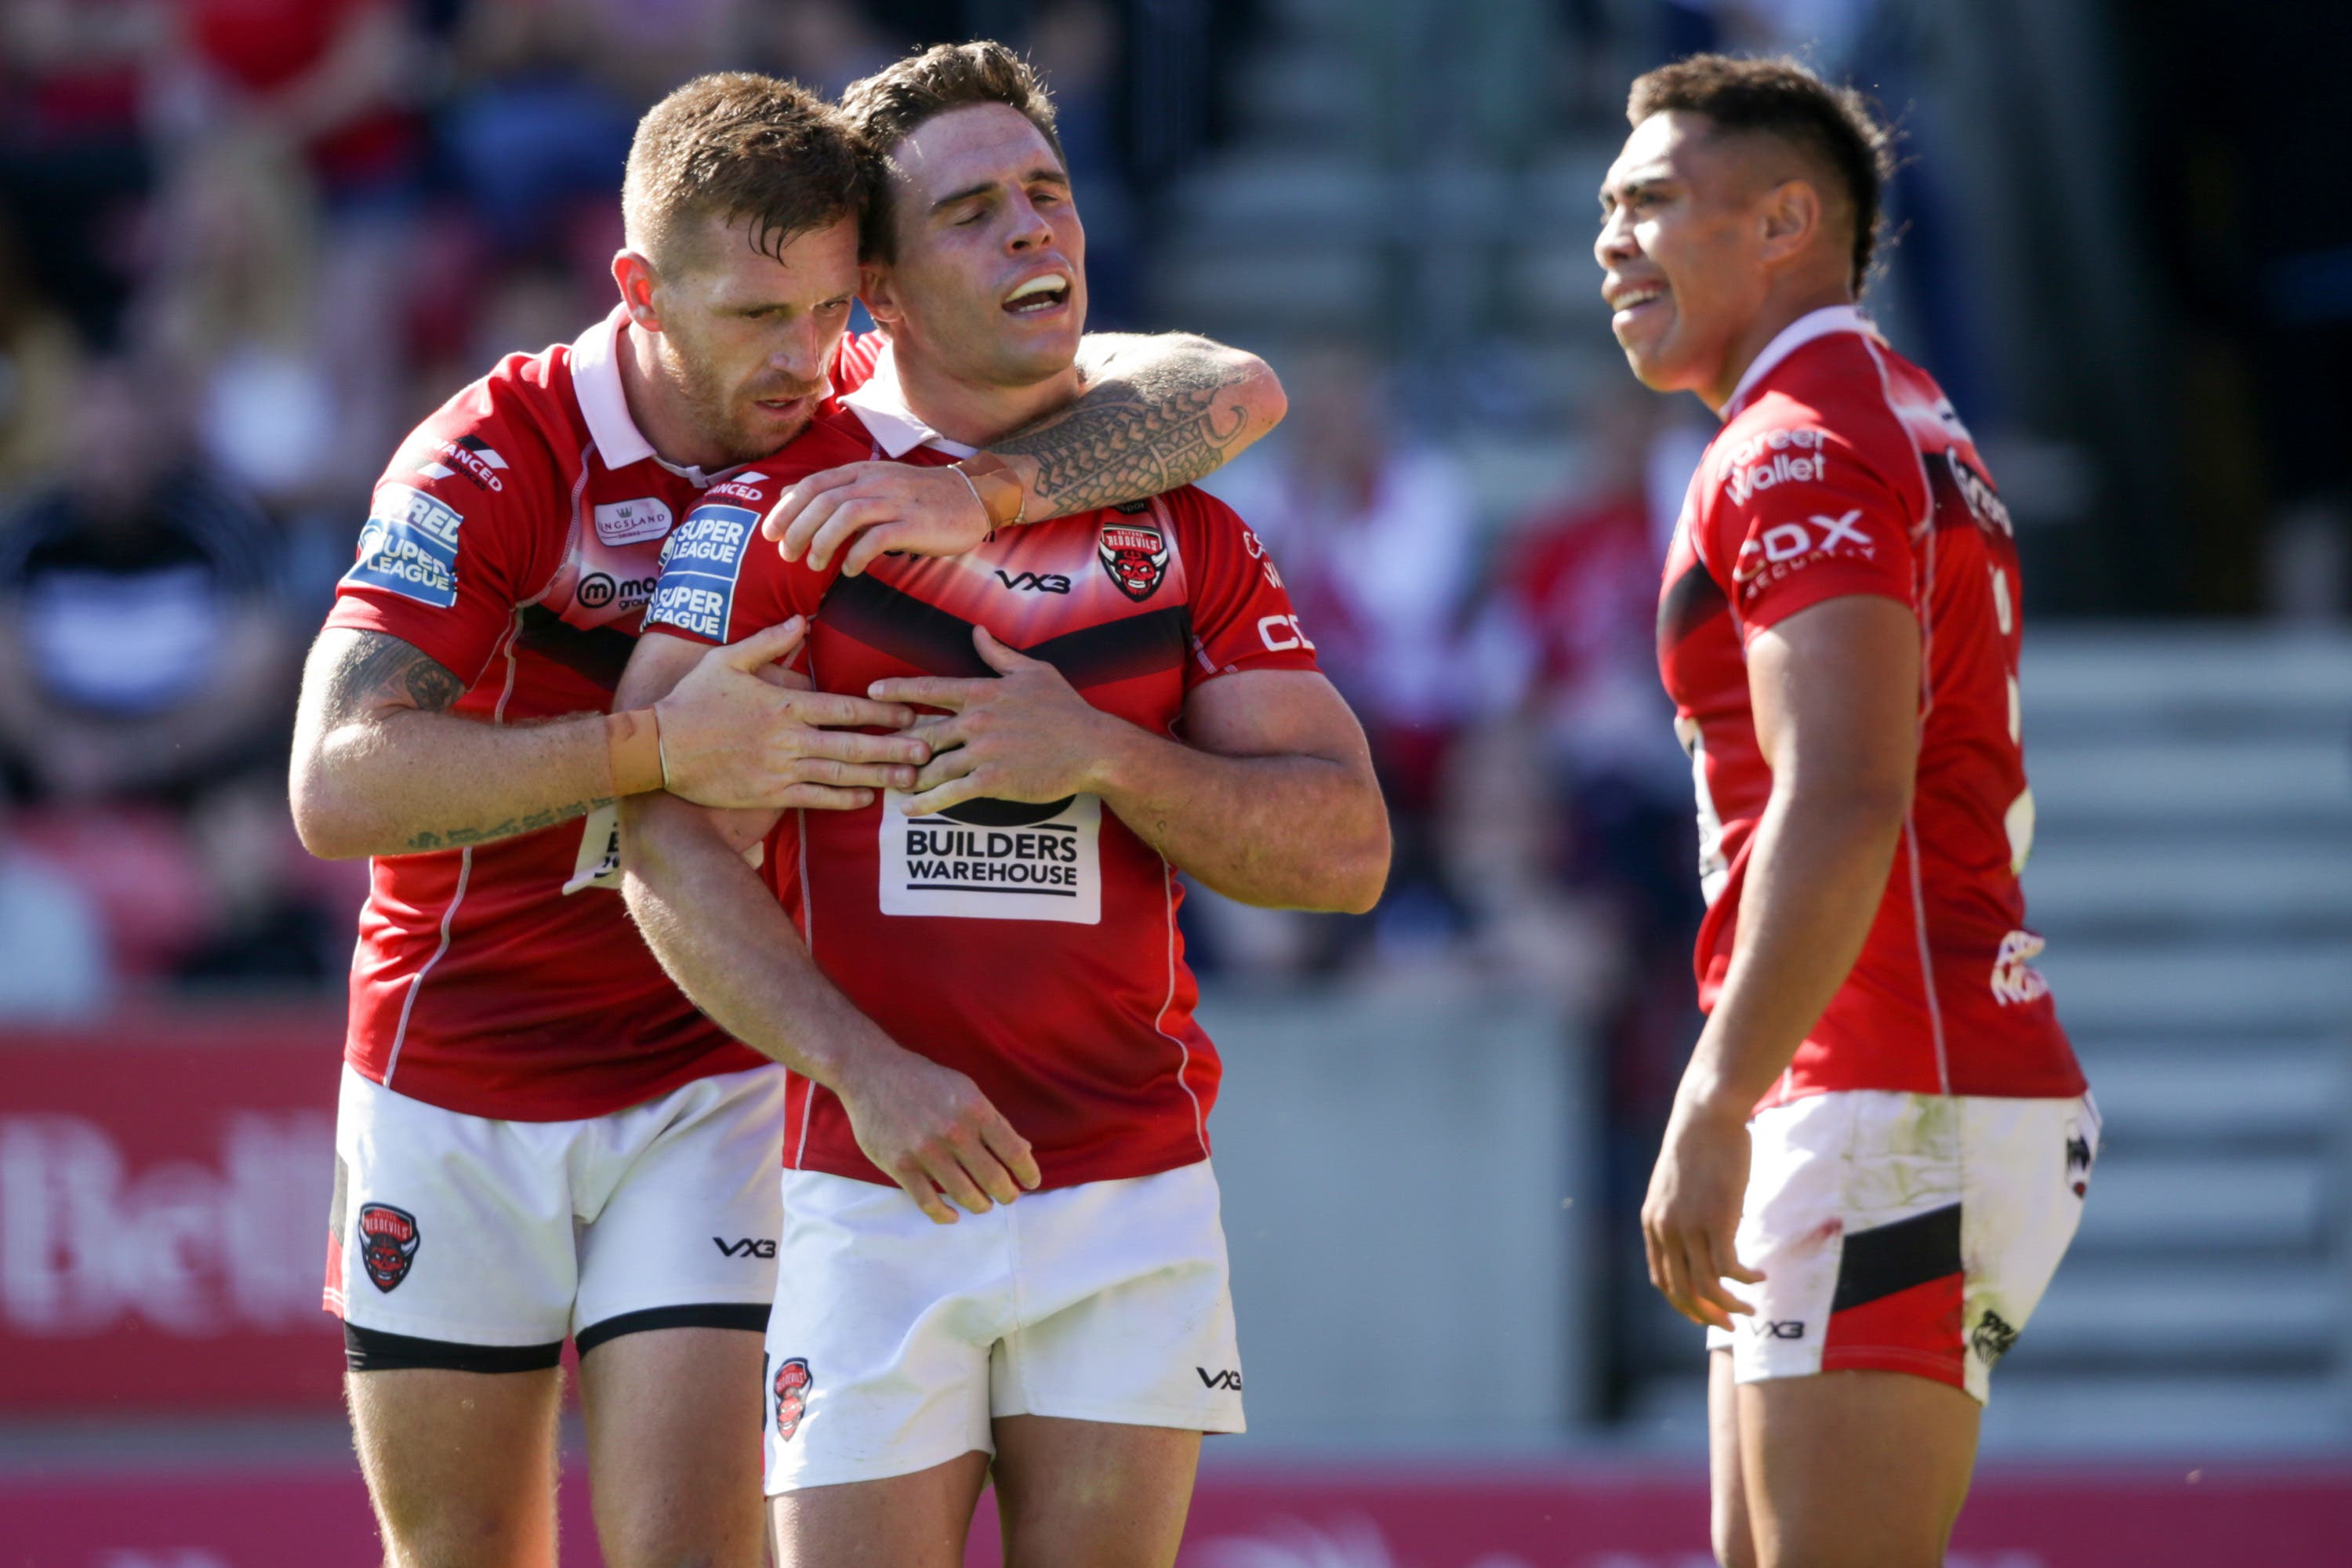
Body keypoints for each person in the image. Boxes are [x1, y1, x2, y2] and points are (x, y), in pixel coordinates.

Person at [287, 70, 1290, 1568]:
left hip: (717, 1063)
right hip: (460, 1053)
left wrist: (999, 492)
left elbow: (1231, 390)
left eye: (832, 313)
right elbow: (339, 784)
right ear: (638, 288)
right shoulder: (496, 454)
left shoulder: (834, 419)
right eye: (759, 318)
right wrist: (652, 745)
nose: (807, 359)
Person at [615, 43, 1388, 1568]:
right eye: (973, 209)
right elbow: (658, 834)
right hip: (876, 1173)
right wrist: (862, 1067)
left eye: (1048, 191)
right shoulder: (781, 509)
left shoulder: (1182, 518)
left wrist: (1100, 753)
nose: (1035, 228)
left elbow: (1347, 849)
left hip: (1131, 1181)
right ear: (880, 294)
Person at [1594, 56, 2096, 1568]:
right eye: (1608, 209)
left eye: (1656, 202)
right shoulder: (1883, 405)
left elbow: (1848, 788)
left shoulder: (1800, 432)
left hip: (1895, 1089)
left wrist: (1715, 1092)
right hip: (1895, 1082)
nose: (1613, 242)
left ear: (1787, 222)